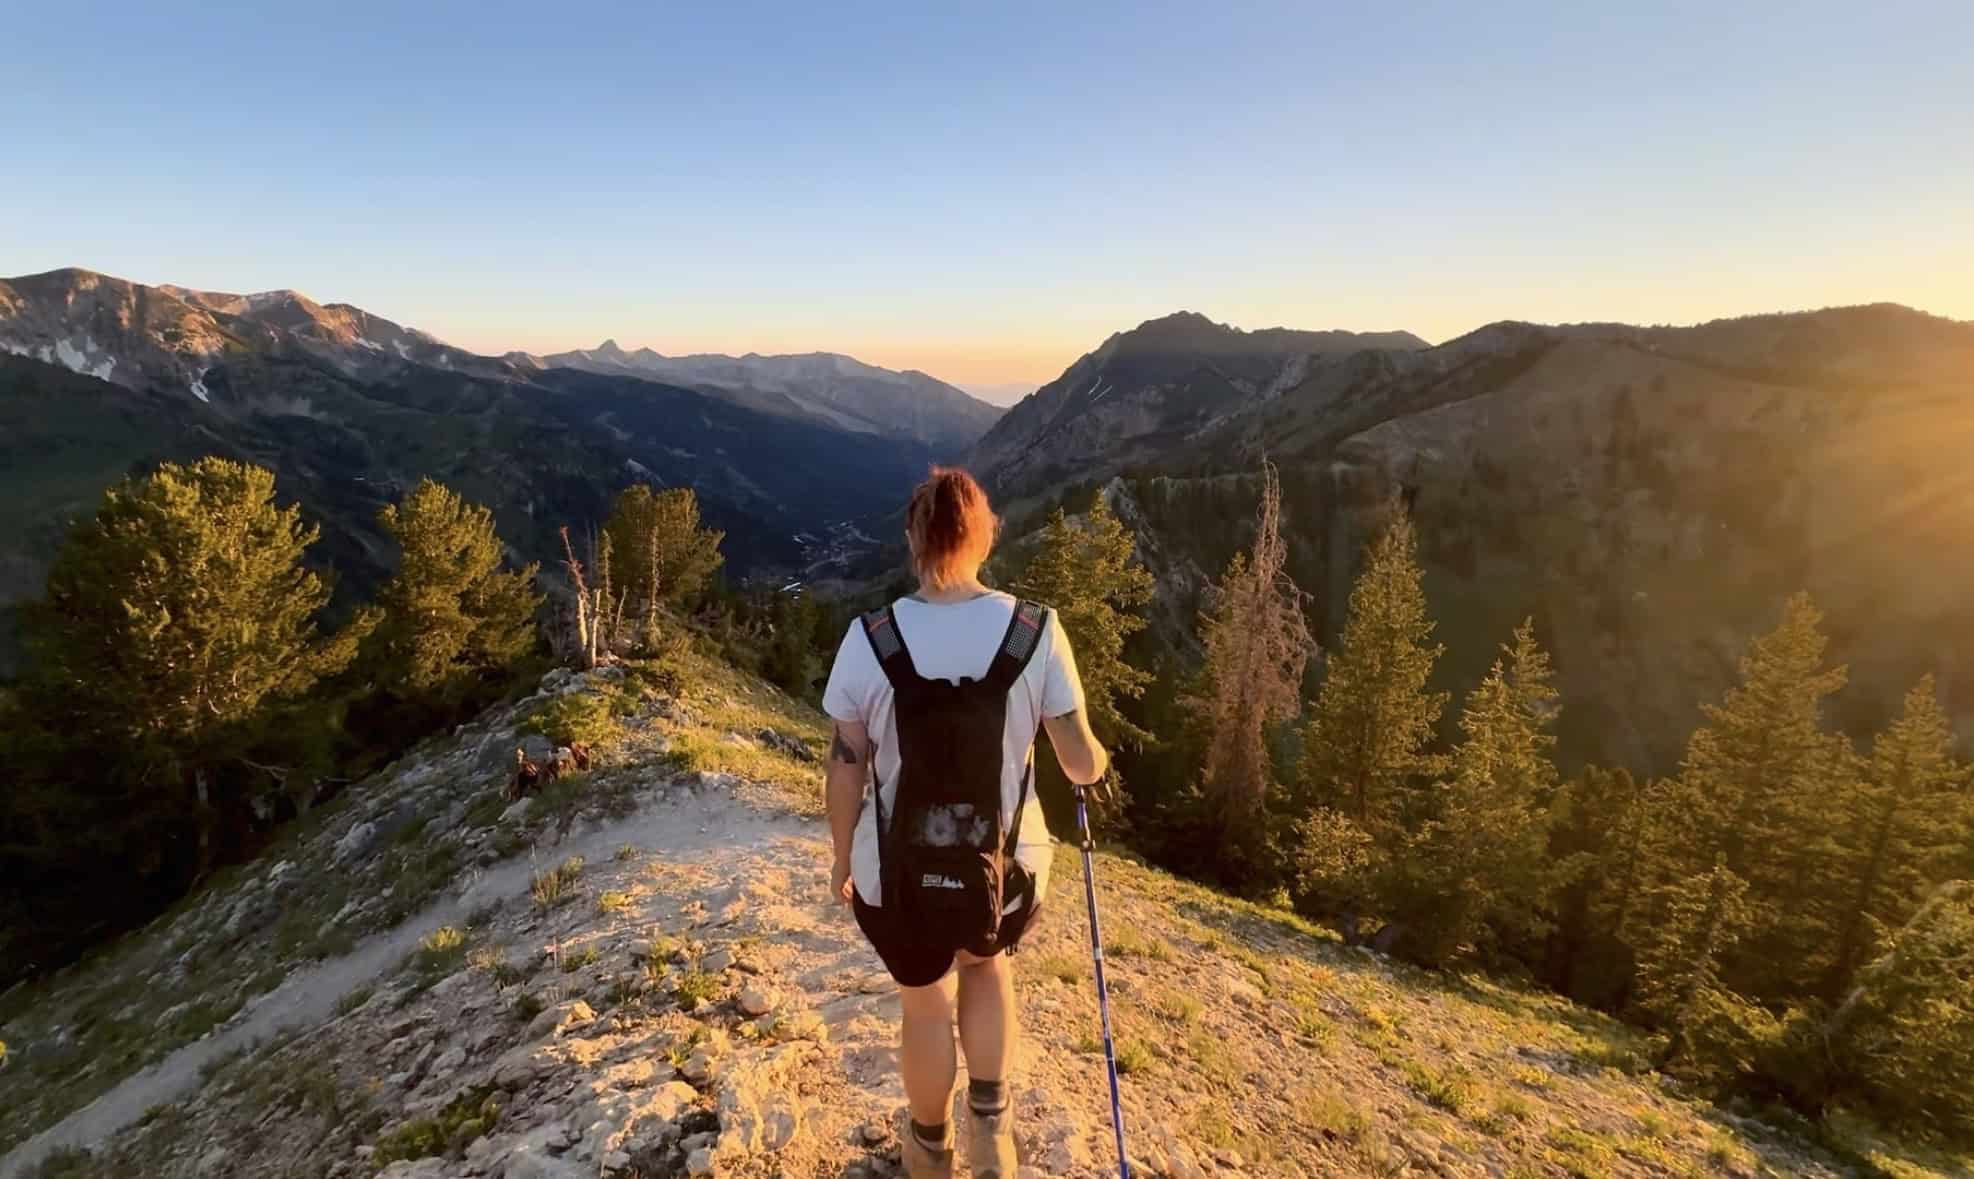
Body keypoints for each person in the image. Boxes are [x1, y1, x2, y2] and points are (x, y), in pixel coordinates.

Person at [823, 466, 1109, 1179]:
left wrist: (840, 859)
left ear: (915, 540)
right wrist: (1095, 755)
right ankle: (991, 1132)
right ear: (984, 535)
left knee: (924, 1006)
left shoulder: (870, 638)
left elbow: (846, 765)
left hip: (895, 874)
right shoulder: (1035, 632)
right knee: (986, 969)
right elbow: (1079, 764)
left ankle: (927, 1147)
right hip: (1003, 872)